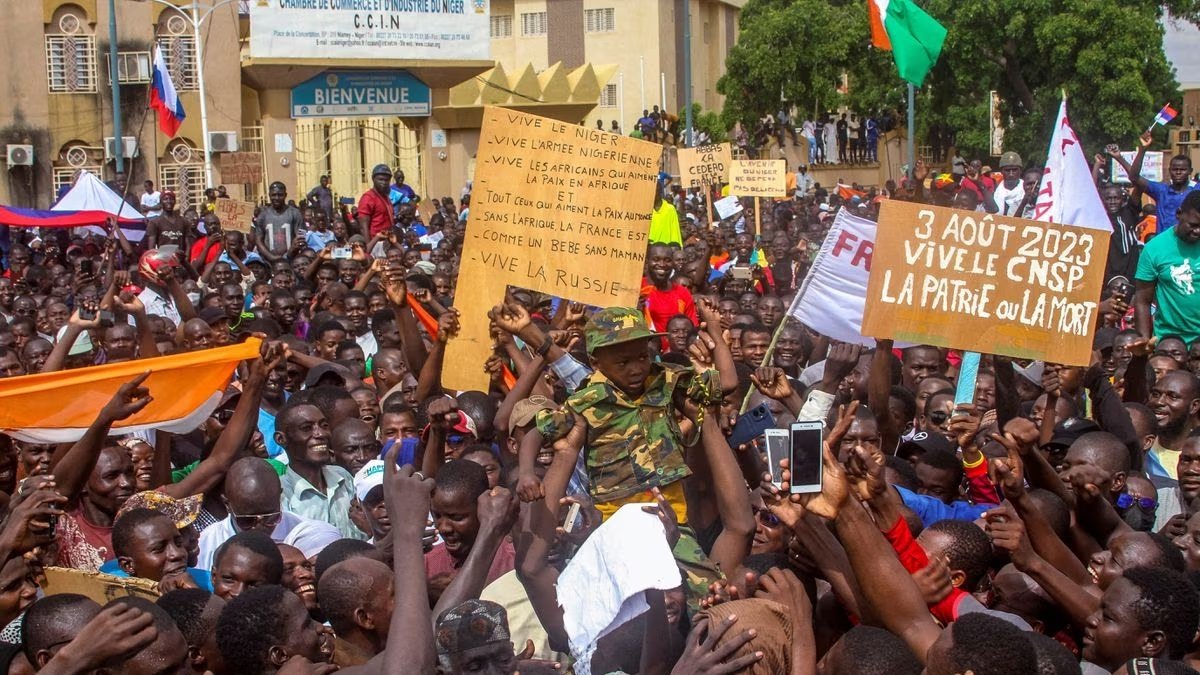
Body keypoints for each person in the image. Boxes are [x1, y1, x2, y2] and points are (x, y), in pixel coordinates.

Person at [1135, 191, 1200, 343]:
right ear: (1179, 214)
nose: (1198, 231)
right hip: (1170, 343)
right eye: (1193, 225)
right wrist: (1144, 337)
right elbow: (1142, 300)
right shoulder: (1154, 249)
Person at [1113, 132, 1199, 234]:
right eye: (1175, 169)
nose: (1178, 172)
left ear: (1190, 171)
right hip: (1164, 244)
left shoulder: (1196, 190)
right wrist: (1142, 150)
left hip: (1189, 244)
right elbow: (1134, 177)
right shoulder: (1161, 190)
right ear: (1170, 170)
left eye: (1182, 169)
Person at [252, 181, 305, 262]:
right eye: (274, 195)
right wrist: (271, 257)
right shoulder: (263, 216)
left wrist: (288, 255)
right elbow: (258, 240)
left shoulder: (295, 213)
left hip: (291, 259)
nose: (276, 198)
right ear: (269, 195)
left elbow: (300, 238)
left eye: (280, 195)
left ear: (285, 195)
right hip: (268, 261)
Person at [359, 164, 395, 238]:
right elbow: (363, 227)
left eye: (386, 180)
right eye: (380, 179)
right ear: (373, 179)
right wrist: (368, 248)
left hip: (388, 240)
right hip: (375, 242)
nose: (384, 183)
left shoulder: (385, 197)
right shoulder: (368, 198)